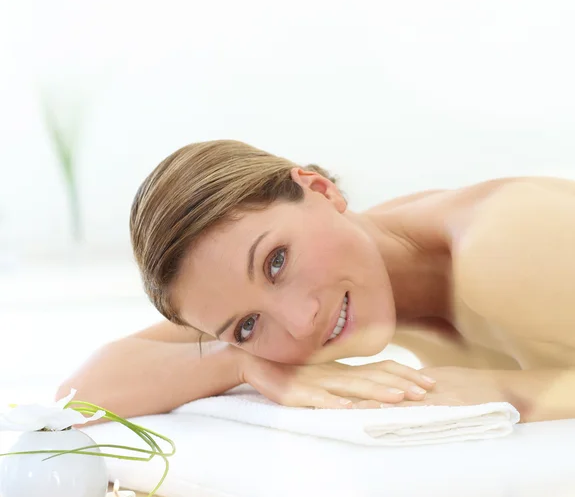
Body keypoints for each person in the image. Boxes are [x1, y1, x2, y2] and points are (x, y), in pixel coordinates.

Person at [57, 140, 575, 422]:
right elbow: (78, 394)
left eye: (276, 262)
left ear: (321, 189)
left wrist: (505, 394)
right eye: (247, 325)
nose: (300, 323)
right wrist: (241, 364)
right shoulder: (363, 279)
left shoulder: (502, 242)